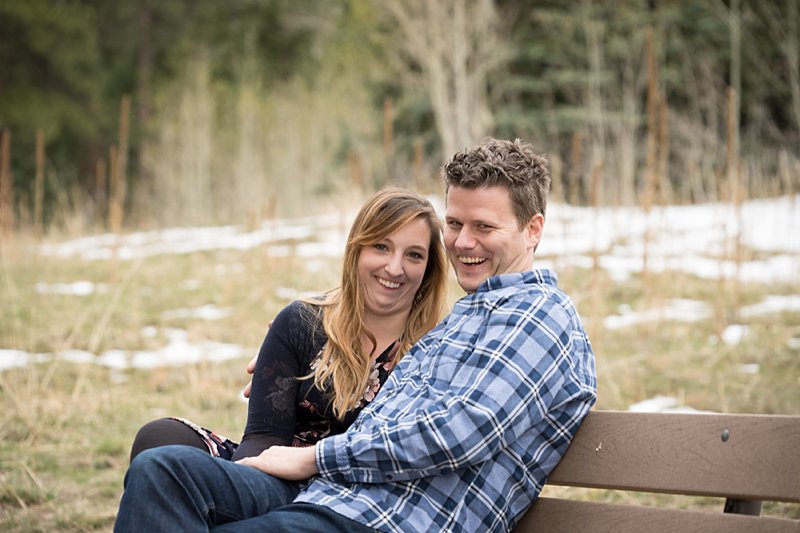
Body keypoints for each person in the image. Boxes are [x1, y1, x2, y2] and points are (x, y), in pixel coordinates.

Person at [114, 138, 597, 533]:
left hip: (389, 522)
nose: (463, 242)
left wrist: (314, 457)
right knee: (162, 472)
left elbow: (458, 436)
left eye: (484, 226)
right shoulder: (461, 321)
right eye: (454, 223)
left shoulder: (538, 318)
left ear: (533, 230)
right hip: (334, 500)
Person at [118, 187, 449, 506]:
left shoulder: (436, 350)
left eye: (414, 255)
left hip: (356, 498)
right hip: (274, 475)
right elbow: (262, 438)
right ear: (357, 249)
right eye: (381, 246)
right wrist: (235, 489)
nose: (394, 267)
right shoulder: (302, 322)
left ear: (429, 268)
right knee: (158, 441)